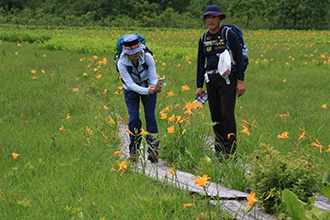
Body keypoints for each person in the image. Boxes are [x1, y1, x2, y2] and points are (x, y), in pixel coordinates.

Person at [195, 5, 245, 160]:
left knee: (227, 114)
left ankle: (230, 153)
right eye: (208, 18)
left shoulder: (228, 34)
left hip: (228, 80)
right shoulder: (204, 38)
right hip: (211, 80)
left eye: (213, 17)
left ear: (219, 19)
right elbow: (200, 62)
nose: (210, 20)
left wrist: (241, 81)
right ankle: (218, 151)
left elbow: (239, 58)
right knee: (215, 116)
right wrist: (199, 86)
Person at [117, 35, 161, 163]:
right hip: (131, 91)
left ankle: (153, 150)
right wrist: (146, 90)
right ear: (126, 52)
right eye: (132, 53)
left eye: (137, 51)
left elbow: (153, 77)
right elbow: (130, 84)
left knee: (150, 117)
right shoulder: (121, 63)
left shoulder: (147, 57)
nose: (136, 54)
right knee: (134, 118)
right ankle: (134, 151)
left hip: (148, 87)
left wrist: (156, 87)